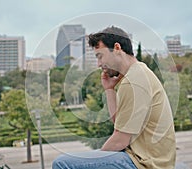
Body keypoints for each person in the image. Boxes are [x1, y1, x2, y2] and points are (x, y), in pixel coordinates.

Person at [53, 26, 176, 169]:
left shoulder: (134, 81)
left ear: (117, 48)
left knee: (62, 163)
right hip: (143, 157)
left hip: (145, 163)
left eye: (100, 56)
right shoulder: (137, 73)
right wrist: (109, 89)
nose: (99, 64)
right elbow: (120, 124)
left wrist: (95, 161)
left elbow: (120, 140)